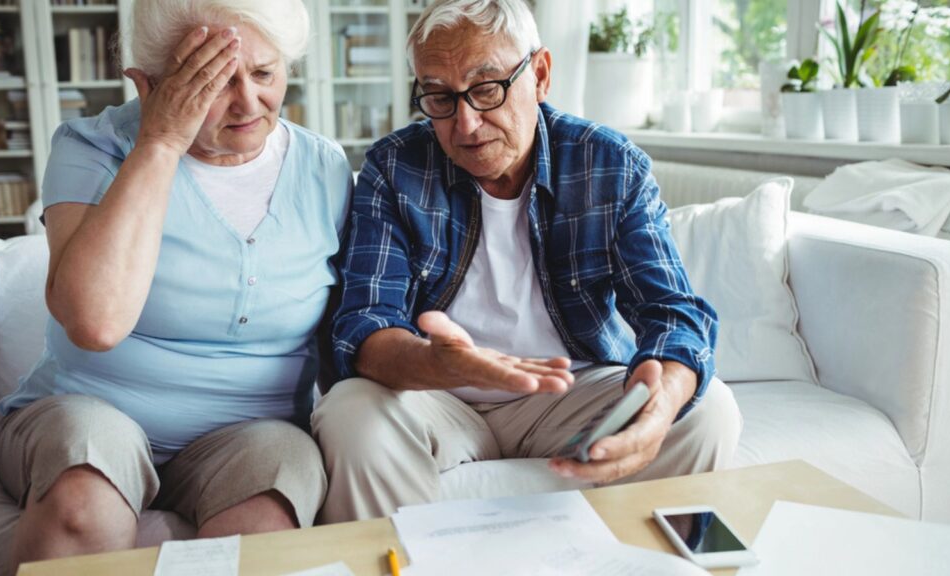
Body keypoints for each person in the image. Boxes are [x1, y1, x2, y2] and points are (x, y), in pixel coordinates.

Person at [312, 0, 742, 523]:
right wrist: (437, 363)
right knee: (349, 413)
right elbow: (363, 324)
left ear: (539, 75)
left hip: (567, 391)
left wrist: (661, 401)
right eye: (440, 97)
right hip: (437, 395)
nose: (465, 124)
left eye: (486, 87)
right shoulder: (394, 166)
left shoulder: (607, 163)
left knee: (708, 411)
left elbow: (674, 314)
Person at [0, 0, 350, 569]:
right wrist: (159, 142)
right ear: (148, 83)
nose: (249, 102)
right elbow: (95, 321)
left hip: (254, 432)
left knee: (271, 507)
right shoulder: (93, 146)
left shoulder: (325, 167)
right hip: (88, 410)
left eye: (264, 73)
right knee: (83, 488)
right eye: (211, 80)